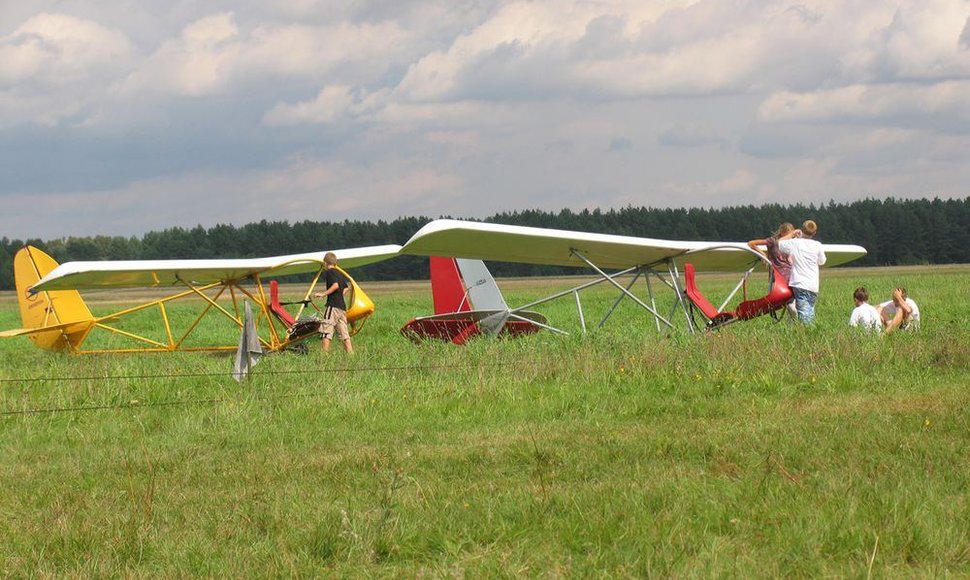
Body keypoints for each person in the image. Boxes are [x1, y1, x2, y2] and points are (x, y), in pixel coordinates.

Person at [777, 219, 827, 324]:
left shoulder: (795, 243)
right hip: (813, 285)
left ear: (802, 229)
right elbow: (822, 261)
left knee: (804, 313)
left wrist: (792, 233)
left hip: (800, 284)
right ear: (814, 233)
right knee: (810, 310)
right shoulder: (817, 245)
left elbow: (778, 243)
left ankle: (808, 334)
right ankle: (807, 332)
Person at [313, 252, 354, 353]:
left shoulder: (330, 272)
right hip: (341, 307)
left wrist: (323, 294)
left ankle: (324, 355)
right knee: (344, 333)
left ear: (325, 263)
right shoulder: (339, 273)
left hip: (333, 306)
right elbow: (346, 288)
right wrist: (340, 296)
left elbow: (335, 286)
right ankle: (351, 354)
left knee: (326, 329)